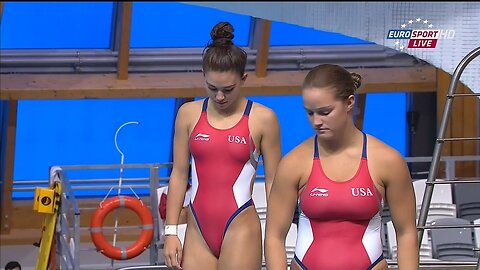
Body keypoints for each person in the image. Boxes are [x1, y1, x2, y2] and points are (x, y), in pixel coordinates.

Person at [265, 64, 419, 269]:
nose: (316, 122)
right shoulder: (294, 163)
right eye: (310, 113)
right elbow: (274, 236)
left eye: (325, 112)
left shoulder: (387, 161)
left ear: (349, 103)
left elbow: (407, 233)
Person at [163, 21, 282, 270]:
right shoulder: (188, 114)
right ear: (203, 78)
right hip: (197, 228)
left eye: (228, 89)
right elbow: (179, 173)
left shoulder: (263, 119)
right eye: (212, 88)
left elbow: (274, 182)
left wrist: (276, 237)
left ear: (244, 78)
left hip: (240, 227)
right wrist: (171, 231)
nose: (219, 97)